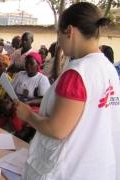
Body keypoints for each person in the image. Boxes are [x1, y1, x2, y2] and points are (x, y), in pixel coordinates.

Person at [14, 2, 120, 179]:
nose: (60, 43)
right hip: (99, 168)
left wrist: (28, 116)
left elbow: (57, 129)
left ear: (69, 31)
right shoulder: (108, 69)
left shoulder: (77, 73)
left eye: (59, 35)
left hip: (71, 170)